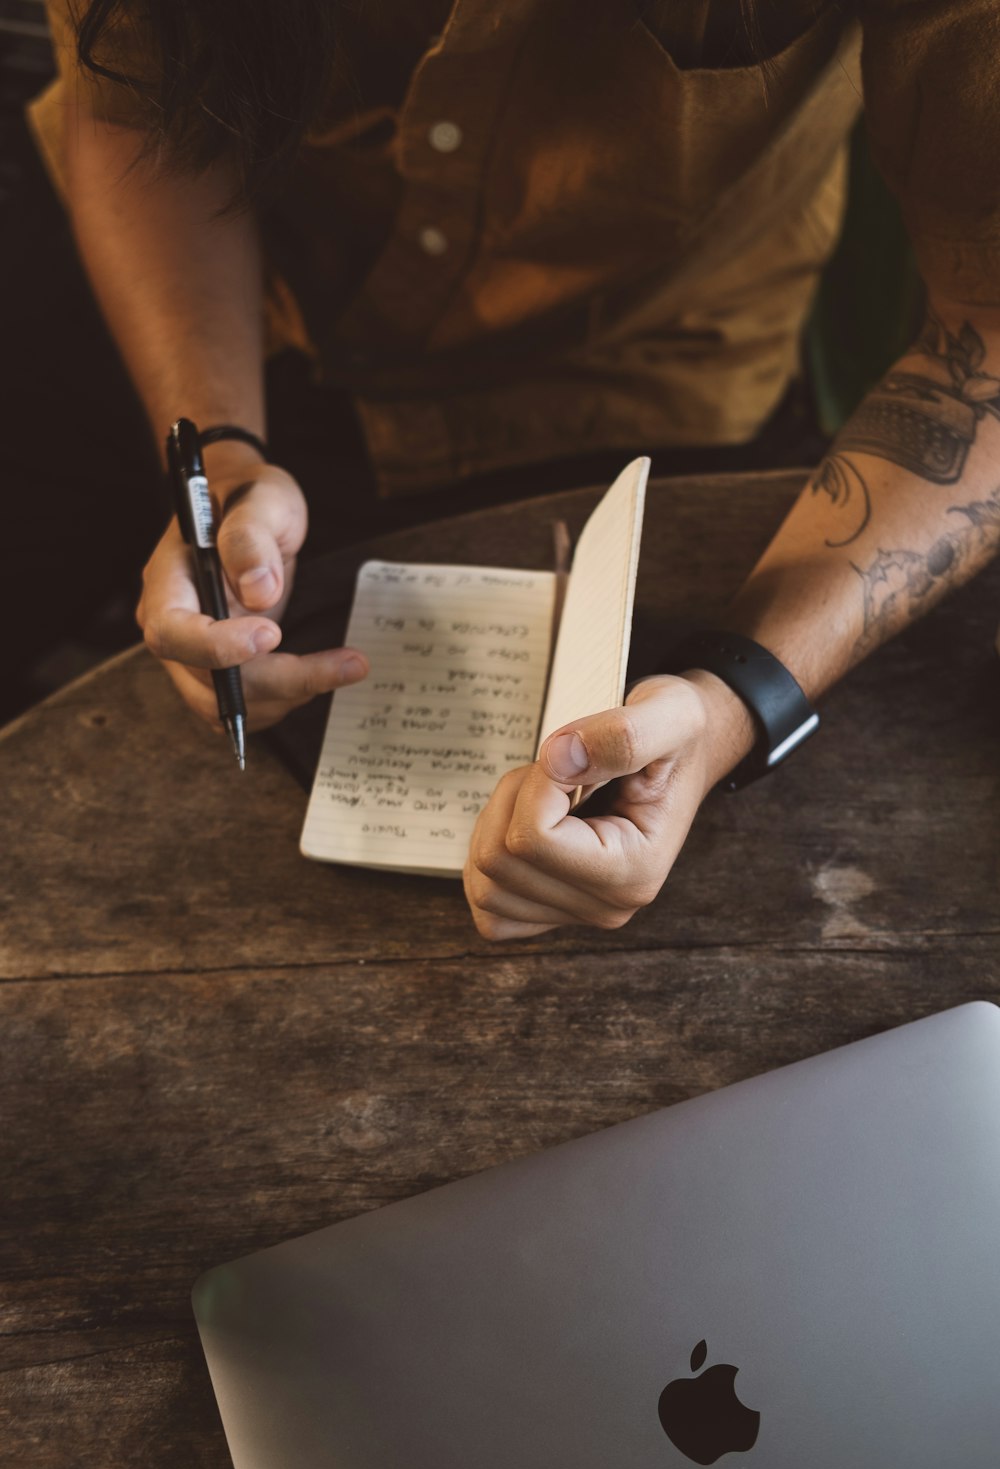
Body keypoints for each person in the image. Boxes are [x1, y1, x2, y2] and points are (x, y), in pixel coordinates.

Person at [17, 0, 1000, 938]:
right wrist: (225, 454)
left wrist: (734, 704)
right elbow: (143, 106)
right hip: (231, 314)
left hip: (648, 375)